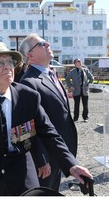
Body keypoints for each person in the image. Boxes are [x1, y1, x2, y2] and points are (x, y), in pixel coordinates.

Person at [0, 37, 93, 196]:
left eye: (9, 62)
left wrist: (71, 165)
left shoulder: (28, 96)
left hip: (21, 170)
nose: (7, 66)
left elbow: (49, 132)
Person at [19, 33, 78, 191]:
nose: (47, 45)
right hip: (45, 160)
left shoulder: (51, 75)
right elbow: (27, 126)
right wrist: (41, 159)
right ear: (30, 55)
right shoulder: (29, 82)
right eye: (41, 44)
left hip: (58, 153)